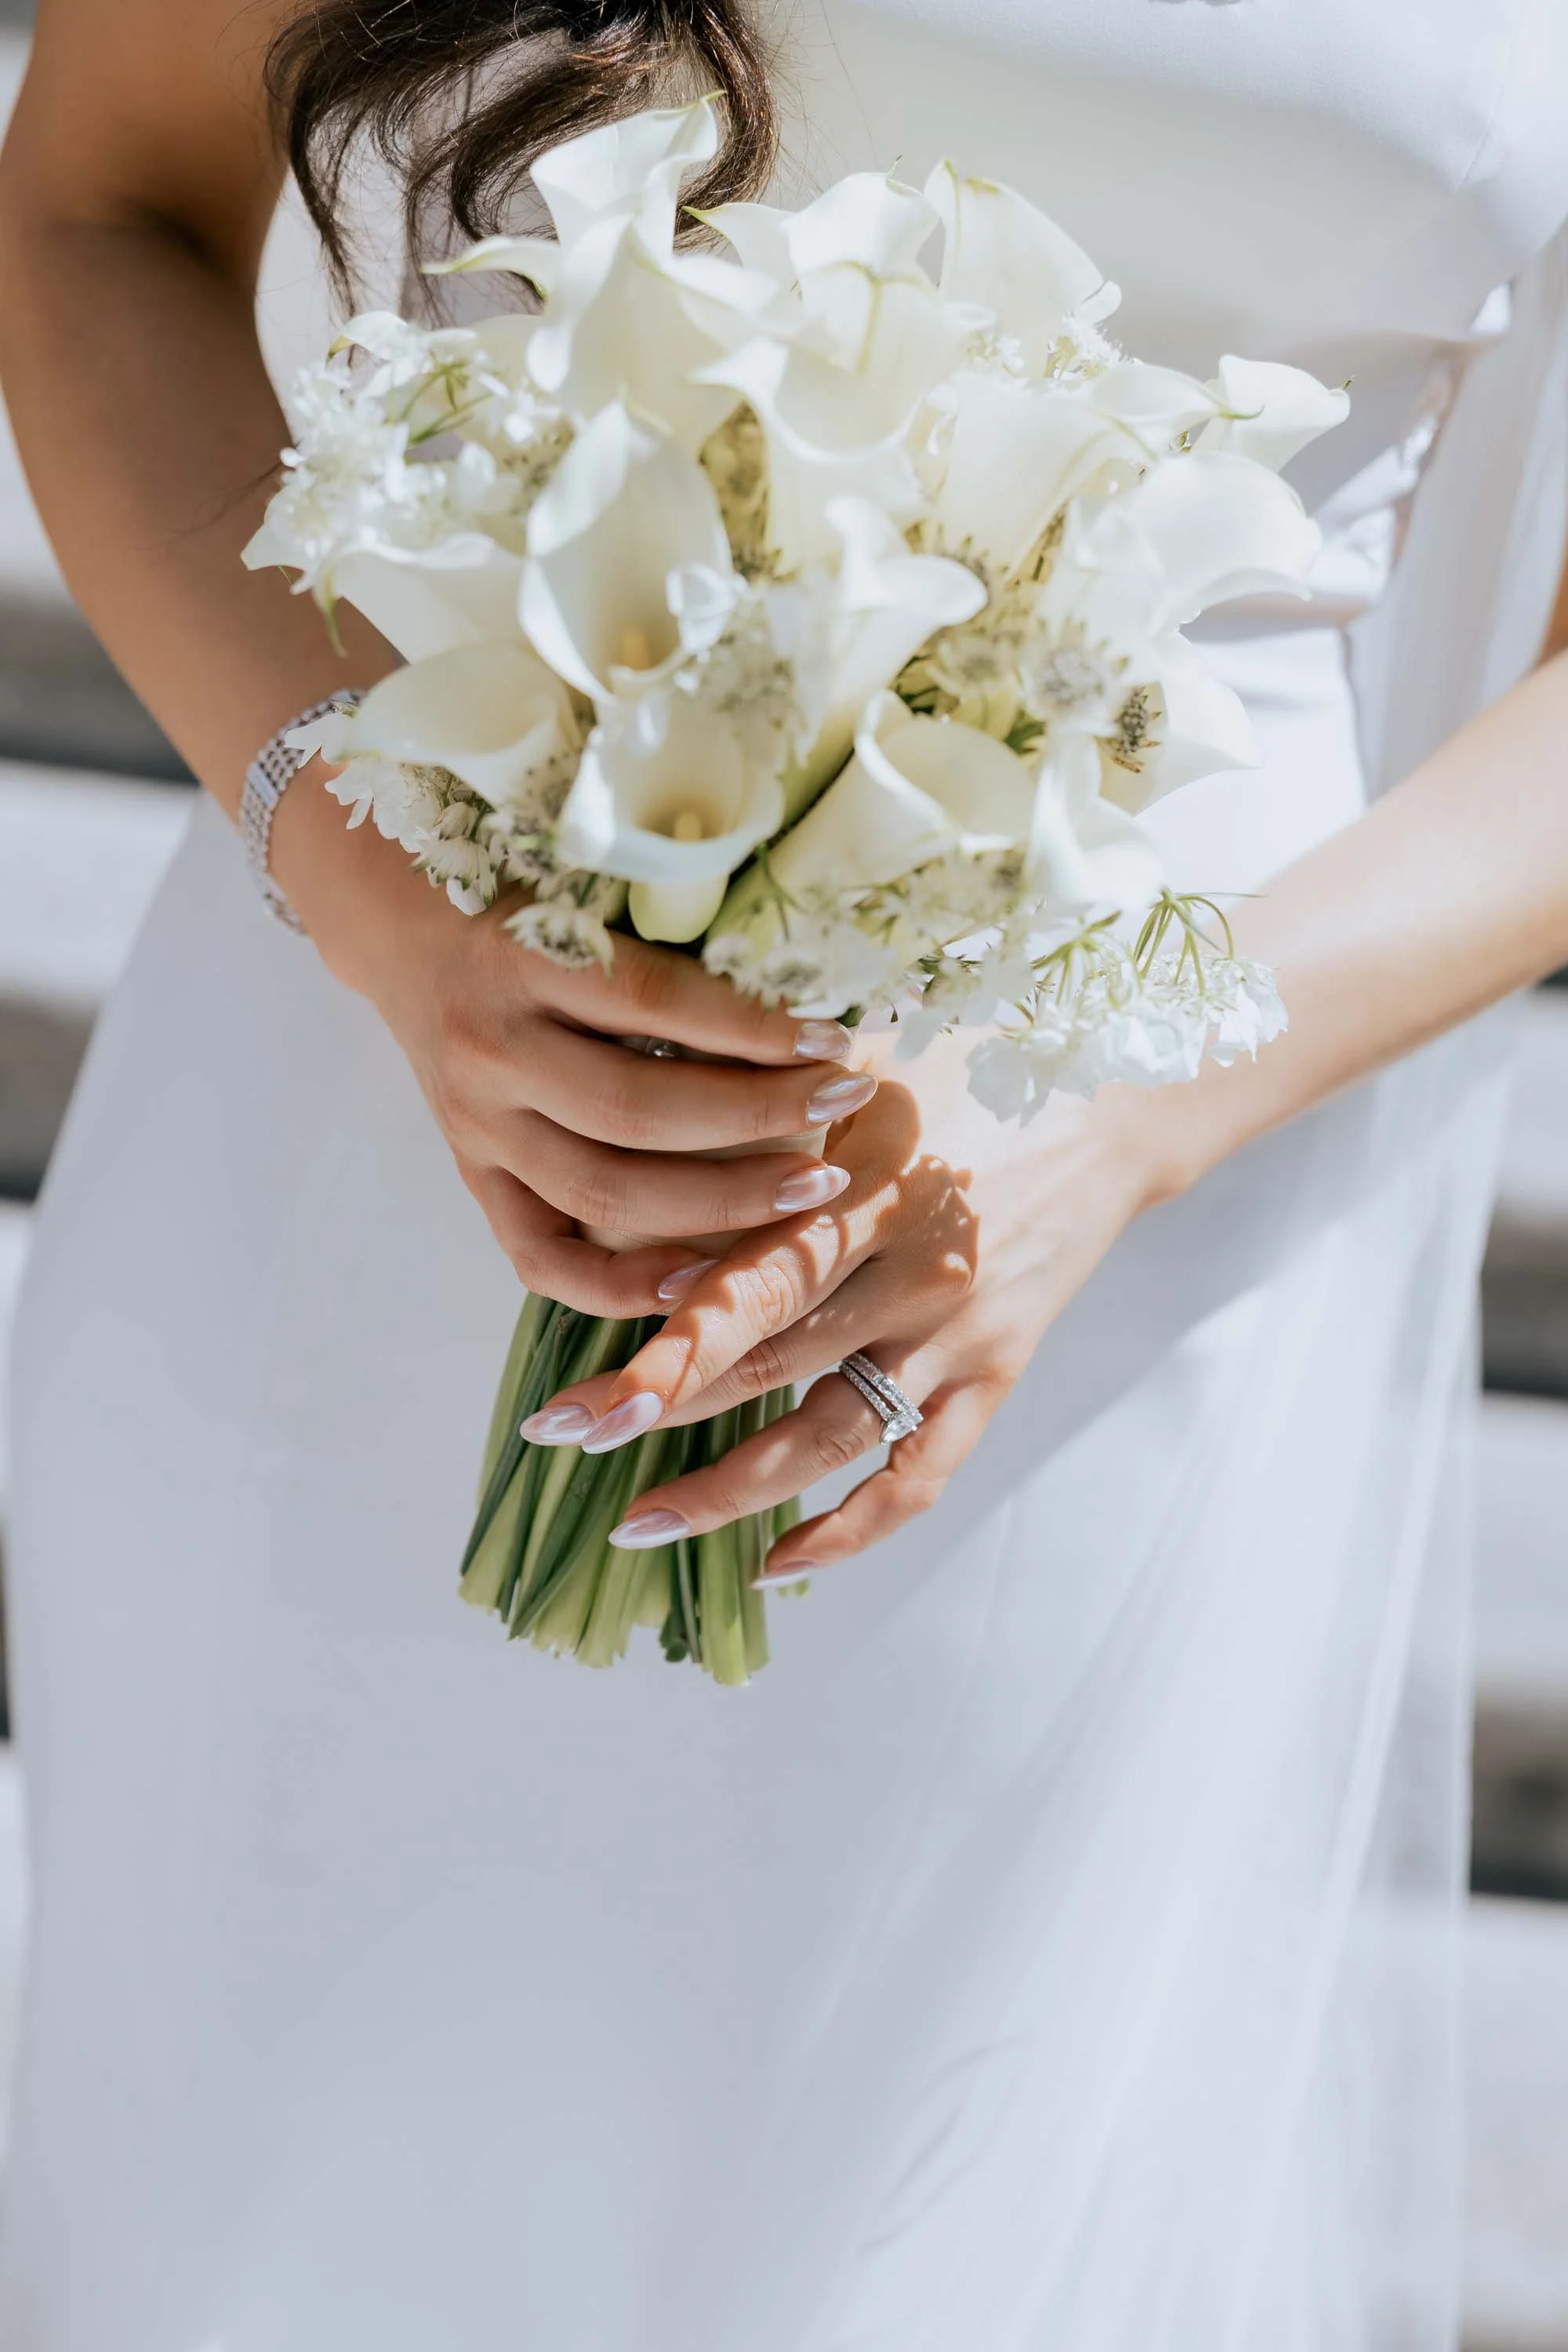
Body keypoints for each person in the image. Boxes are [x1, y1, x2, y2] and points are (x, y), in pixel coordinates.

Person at [2, 0, 1566, 2343]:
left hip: (1070, 1304)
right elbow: (93, 199)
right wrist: (374, 884)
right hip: (363, 1168)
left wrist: (1127, 1113)